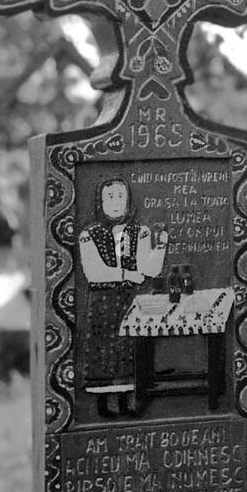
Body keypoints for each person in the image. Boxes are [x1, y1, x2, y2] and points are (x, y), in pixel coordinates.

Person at [78, 176, 168, 417]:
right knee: (103, 350)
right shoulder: (89, 234)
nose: (116, 202)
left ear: (128, 200)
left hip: (128, 299)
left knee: (127, 350)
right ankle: (102, 404)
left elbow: (149, 269)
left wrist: (160, 248)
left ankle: (125, 400)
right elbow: (94, 272)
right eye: (110, 197)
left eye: (120, 196)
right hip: (102, 301)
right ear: (101, 202)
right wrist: (127, 273)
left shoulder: (140, 231)